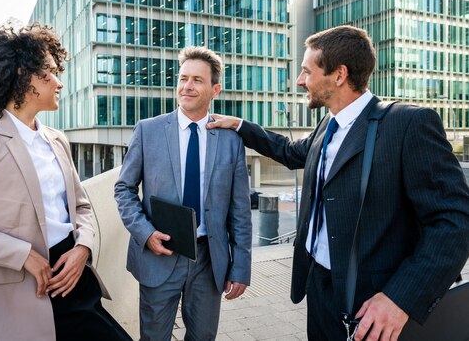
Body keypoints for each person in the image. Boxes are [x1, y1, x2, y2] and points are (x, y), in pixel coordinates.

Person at [208, 25, 469, 341]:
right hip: (319, 289)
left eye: (307, 71)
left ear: (339, 75)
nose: (300, 81)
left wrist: (401, 298)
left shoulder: (408, 123)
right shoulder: (327, 125)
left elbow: (455, 221)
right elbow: (290, 152)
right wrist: (239, 125)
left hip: (373, 302)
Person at [0, 23, 132, 341]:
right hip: (28, 294)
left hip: (75, 278)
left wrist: (84, 247)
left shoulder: (57, 139)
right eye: (51, 72)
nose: (60, 82)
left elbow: (82, 206)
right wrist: (21, 254)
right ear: (24, 75)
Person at [114, 46, 252, 341]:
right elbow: (124, 188)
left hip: (208, 258)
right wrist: (145, 233)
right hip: (159, 253)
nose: (187, 86)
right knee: (153, 337)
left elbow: (240, 209)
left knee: (203, 337)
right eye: (183, 78)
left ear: (215, 89)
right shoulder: (147, 130)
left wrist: (240, 267)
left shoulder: (230, 141)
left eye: (197, 80)